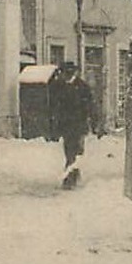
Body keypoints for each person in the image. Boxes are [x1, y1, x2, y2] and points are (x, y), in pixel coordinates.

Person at [49, 61, 94, 189]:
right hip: (66, 125)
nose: (65, 75)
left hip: (79, 125)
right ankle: (73, 175)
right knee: (69, 151)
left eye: (68, 73)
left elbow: (90, 106)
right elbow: (54, 107)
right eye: (64, 73)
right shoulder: (59, 86)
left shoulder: (82, 87)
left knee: (77, 151)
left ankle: (71, 179)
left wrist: (94, 123)